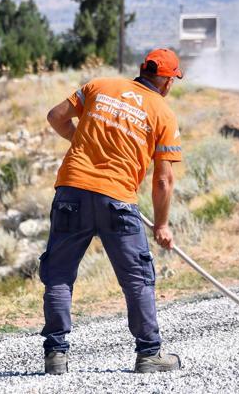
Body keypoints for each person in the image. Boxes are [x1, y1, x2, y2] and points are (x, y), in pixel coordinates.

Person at [40, 48, 184, 375]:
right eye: (172, 80)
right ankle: (149, 354)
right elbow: (163, 179)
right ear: (163, 80)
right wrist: (161, 225)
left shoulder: (99, 86)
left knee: (59, 274)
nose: (171, 85)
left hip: (71, 191)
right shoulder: (163, 113)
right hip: (117, 200)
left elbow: (55, 117)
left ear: (142, 69)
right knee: (137, 279)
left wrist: (83, 144)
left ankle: (55, 356)